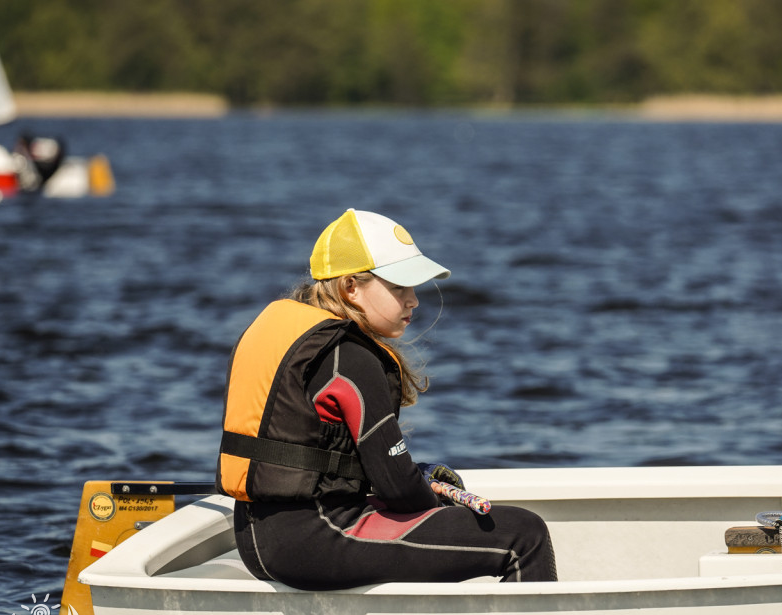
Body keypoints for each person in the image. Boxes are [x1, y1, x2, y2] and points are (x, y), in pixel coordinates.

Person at [216, 208, 557, 589]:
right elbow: (397, 487)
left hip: (257, 535)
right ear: (350, 287)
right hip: (315, 537)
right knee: (523, 534)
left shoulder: (284, 333)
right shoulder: (350, 358)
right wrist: (431, 496)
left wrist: (417, 483)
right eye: (399, 288)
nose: (413, 300)